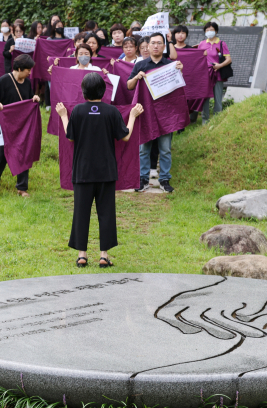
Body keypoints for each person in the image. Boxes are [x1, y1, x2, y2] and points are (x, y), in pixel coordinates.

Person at [55, 73, 144, 268]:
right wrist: (133, 116)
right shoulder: (111, 112)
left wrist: (63, 116)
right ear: (104, 91)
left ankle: (82, 255)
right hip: (106, 171)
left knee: (81, 212)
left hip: (83, 170)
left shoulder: (77, 110)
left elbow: (70, 137)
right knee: (106, 213)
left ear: (83, 91)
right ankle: (104, 256)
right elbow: (126, 137)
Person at [128, 32, 183, 193]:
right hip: (146, 113)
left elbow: (179, 90)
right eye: (153, 43)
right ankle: (143, 179)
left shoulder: (170, 65)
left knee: (165, 149)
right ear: (148, 46)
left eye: (159, 43)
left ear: (164, 46)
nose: (156, 46)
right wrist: (137, 77)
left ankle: (164, 179)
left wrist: (180, 70)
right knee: (143, 148)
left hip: (166, 114)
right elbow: (129, 86)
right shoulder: (140, 65)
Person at [0, 55, 41, 199]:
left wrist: (34, 98)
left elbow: (28, 100)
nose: (30, 73)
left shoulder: (27, 83)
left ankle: (22, 189)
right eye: (28, 69)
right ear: (20, 68)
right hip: (4, 125)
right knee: (0, 155)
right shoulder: (4, 80)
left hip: (21, 127)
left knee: (24, 154)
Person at [198, 22, 231, 124]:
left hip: (218, 73)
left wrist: (219, 65)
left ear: (216, 31)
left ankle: (218, 119)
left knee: (217, 96)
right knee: (205, 96)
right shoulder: (202, 44)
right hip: (205, 74)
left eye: (211, 30)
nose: (209, 32)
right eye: (207, 30)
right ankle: (205, 120)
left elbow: (228, 59)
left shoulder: (221, 43)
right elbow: (198, 58)